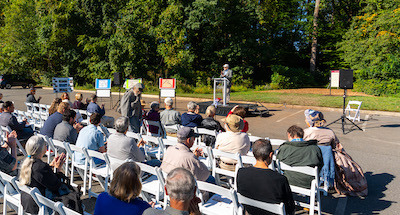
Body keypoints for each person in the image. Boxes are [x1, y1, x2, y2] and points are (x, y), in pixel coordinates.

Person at [20, 136, 82, 214]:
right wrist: (58, 169)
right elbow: (55, 185)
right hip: (40, 204)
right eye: (45, 145)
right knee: (73, 197)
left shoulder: (27, 163)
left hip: (27, 201)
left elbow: (40, 176)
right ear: (42, 149)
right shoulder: (40, 166)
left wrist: (50, 167)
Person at [237, 139, 295, 215]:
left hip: (251, 211)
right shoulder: (280, 179)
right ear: (270, 155)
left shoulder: (241, 173)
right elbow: (290, 207)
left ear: (254, 154)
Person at [303, 109, 338, 189]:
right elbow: (336, 145)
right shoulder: (329, 132)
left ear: (310, 121)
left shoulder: (306, 132)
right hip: (326, 160)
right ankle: (327, 181)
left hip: (311, 160)